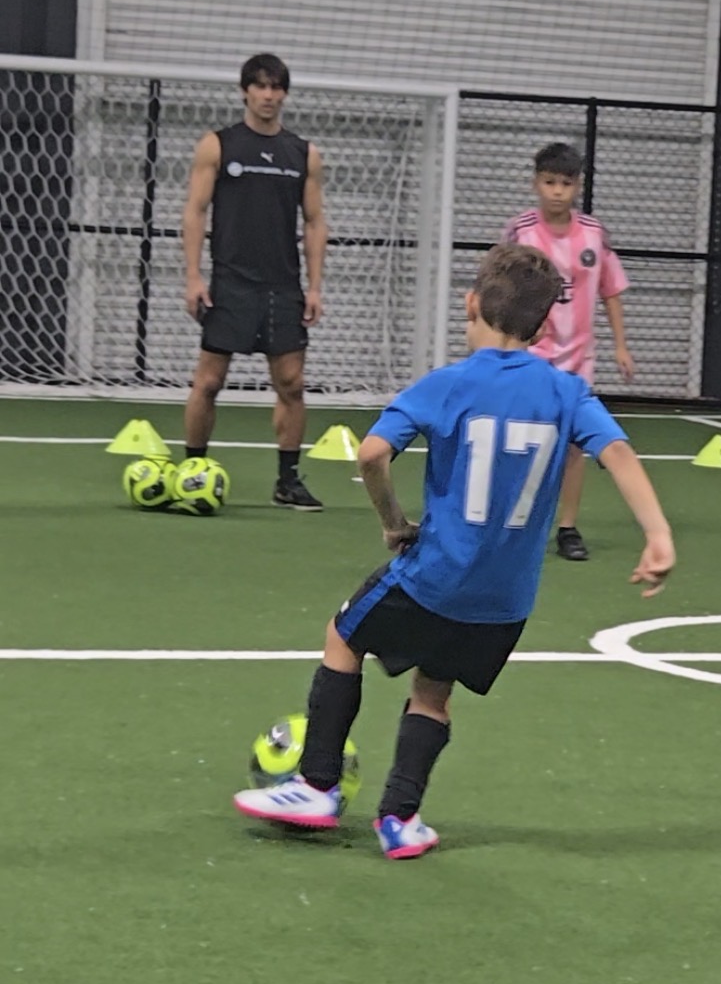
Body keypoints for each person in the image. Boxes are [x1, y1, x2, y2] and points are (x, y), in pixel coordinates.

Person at [233, 243, 674, 860]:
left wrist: (393, 522)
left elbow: (371, 454)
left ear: (470, 304)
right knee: (434, 692)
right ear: (542, 328)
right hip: (504, 600)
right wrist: (658, 534)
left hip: (435, 575)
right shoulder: (568, 393)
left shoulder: (448, 384)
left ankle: (317, 785)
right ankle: (400, 820)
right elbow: (618, 453)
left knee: (343, 638)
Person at [182, 52, 328, 510]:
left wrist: (315, 286)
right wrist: (193, 276)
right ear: (245, 91)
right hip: (230, 283)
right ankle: (192, 469)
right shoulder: (217, 145)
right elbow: (195, 211)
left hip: (283, 286)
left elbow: (315, 221)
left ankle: (288, 481)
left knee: (292, 383)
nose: (268, 95)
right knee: (208, 382)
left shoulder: (303, 153)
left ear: (284, 94)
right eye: (260, 86)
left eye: (276, 87)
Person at [502, 140, 634, 562]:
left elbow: (611, 290)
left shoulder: (594, 234)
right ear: (535, 184)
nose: (557, 191)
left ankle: (568, 527)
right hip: (530, 353)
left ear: (577, 186)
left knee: (574, 446)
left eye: (565, 183)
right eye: (549, 182)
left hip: (578, 358)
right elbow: (501, 288)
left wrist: (620, 345)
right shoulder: (521, 232)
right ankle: (514, 520)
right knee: (522, 437)